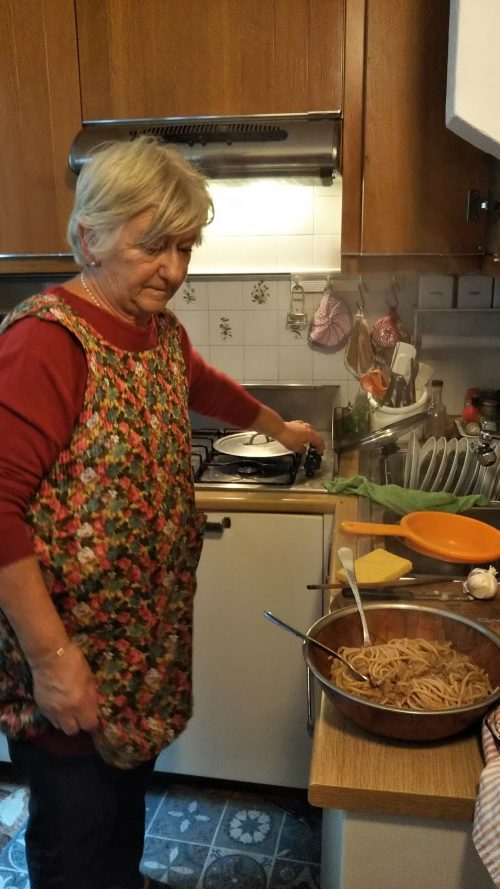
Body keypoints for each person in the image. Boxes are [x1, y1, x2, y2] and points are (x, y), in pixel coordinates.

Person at [0, 135, 325, 889]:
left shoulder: (156, 334)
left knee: (122, 808)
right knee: (75, 838)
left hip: (143, 655)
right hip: (71, 665)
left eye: (186, 246)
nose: (176, 271)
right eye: (156, 247)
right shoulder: (45, 345)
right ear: (90, 239)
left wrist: (280, 427)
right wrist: (52, 660)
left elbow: (202, 383)